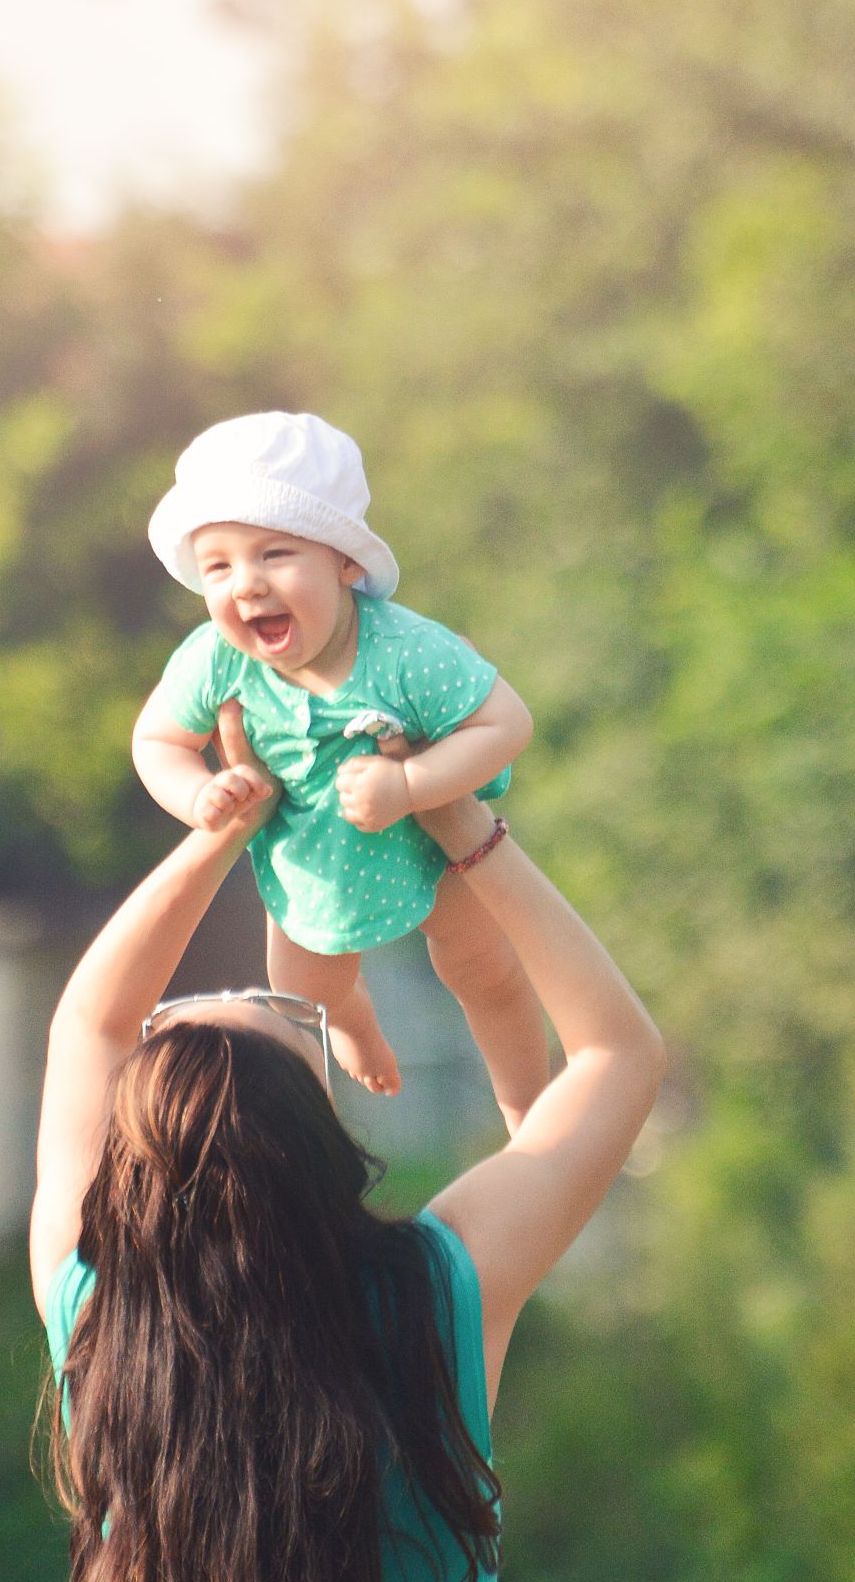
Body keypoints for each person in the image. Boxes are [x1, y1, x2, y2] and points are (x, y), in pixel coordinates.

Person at [32, 698, 666, 1582]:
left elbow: (87, 1023)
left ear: (127, 1166)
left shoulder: (93, 1314)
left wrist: (221, 826)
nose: (236, 988)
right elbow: (613, 1053)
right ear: (319, 1139)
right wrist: (455, 816)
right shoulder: (435, 1288)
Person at [132, 410, 548, 1126]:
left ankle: (529, 1117)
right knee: (302, 996)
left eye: (275, 554)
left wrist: (413, 783)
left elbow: (507, 723)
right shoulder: (215, 658)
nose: (247, 585)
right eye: (219, 566)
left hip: (435, 842)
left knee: (487, 969)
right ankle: (354, 1022)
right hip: (314, 862)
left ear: (345, 562)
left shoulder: (406, 651)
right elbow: (157, 742)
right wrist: (201, 793)